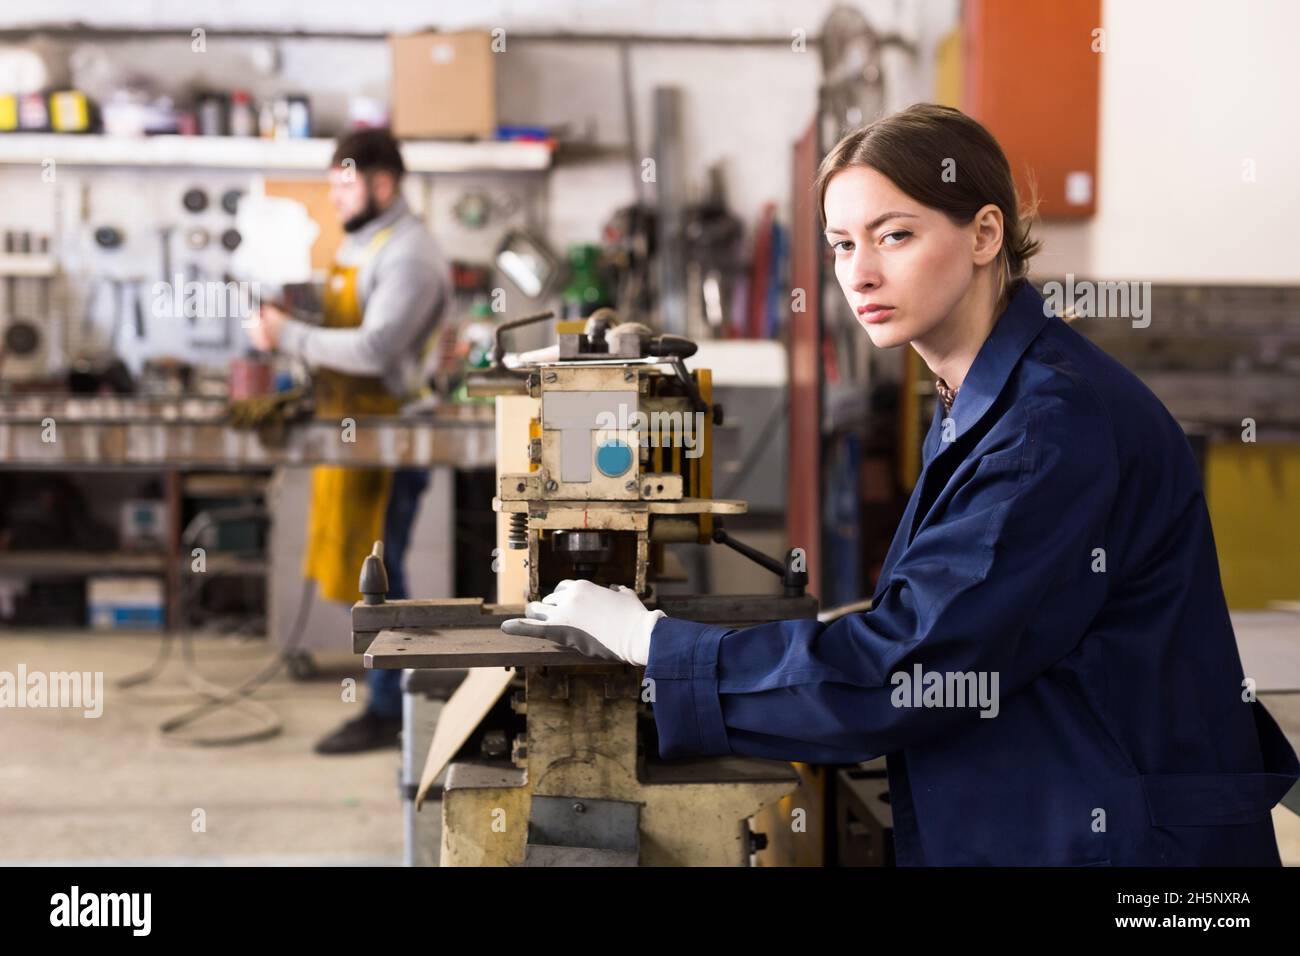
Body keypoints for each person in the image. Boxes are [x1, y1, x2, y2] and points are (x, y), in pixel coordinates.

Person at [502, 104, 1300, 865]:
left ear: (986, 233)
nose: (861, 272)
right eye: (842, 245)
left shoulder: (1050, 424)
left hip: (1118, 839)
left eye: (896, 235)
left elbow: (911, 669)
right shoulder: (983, 394)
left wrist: (655, 646)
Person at [248, 128, 450, 754]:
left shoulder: (409, 254)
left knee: (380, 576)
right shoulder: (368, 243)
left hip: (391, 440)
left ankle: (392, 709)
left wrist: (288, 337)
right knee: (365, 570)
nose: (333, 197)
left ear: (382, 184)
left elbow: (375, 349)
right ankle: (392, 701)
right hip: (355, 432)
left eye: (344, 183)